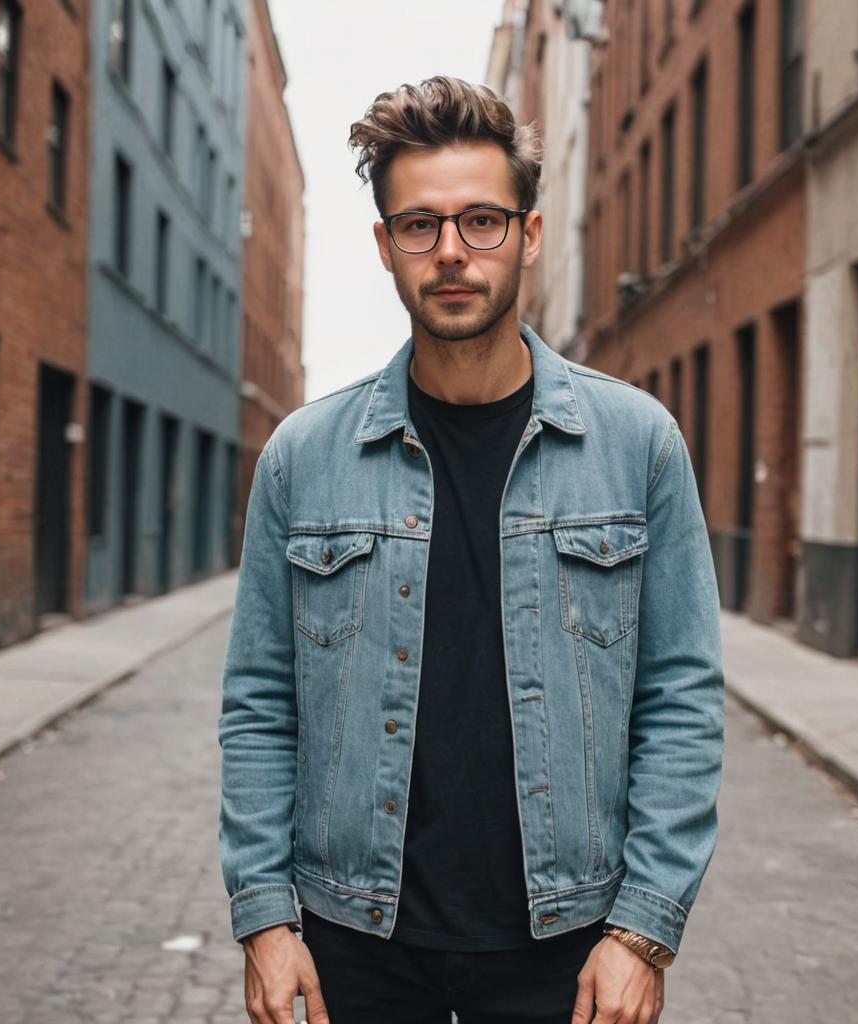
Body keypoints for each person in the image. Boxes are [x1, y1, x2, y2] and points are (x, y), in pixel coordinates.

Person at [218, 75, 725, 1024]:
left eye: (483, 220)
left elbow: (680, 701)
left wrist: (643, 932)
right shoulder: (303, 457)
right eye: (420, 225)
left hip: (567, 945)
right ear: (386, 246)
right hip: (351, 944)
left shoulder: (636, 443)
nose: (452, 252)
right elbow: (259, 702)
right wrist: (264, 920)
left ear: (529, 235)